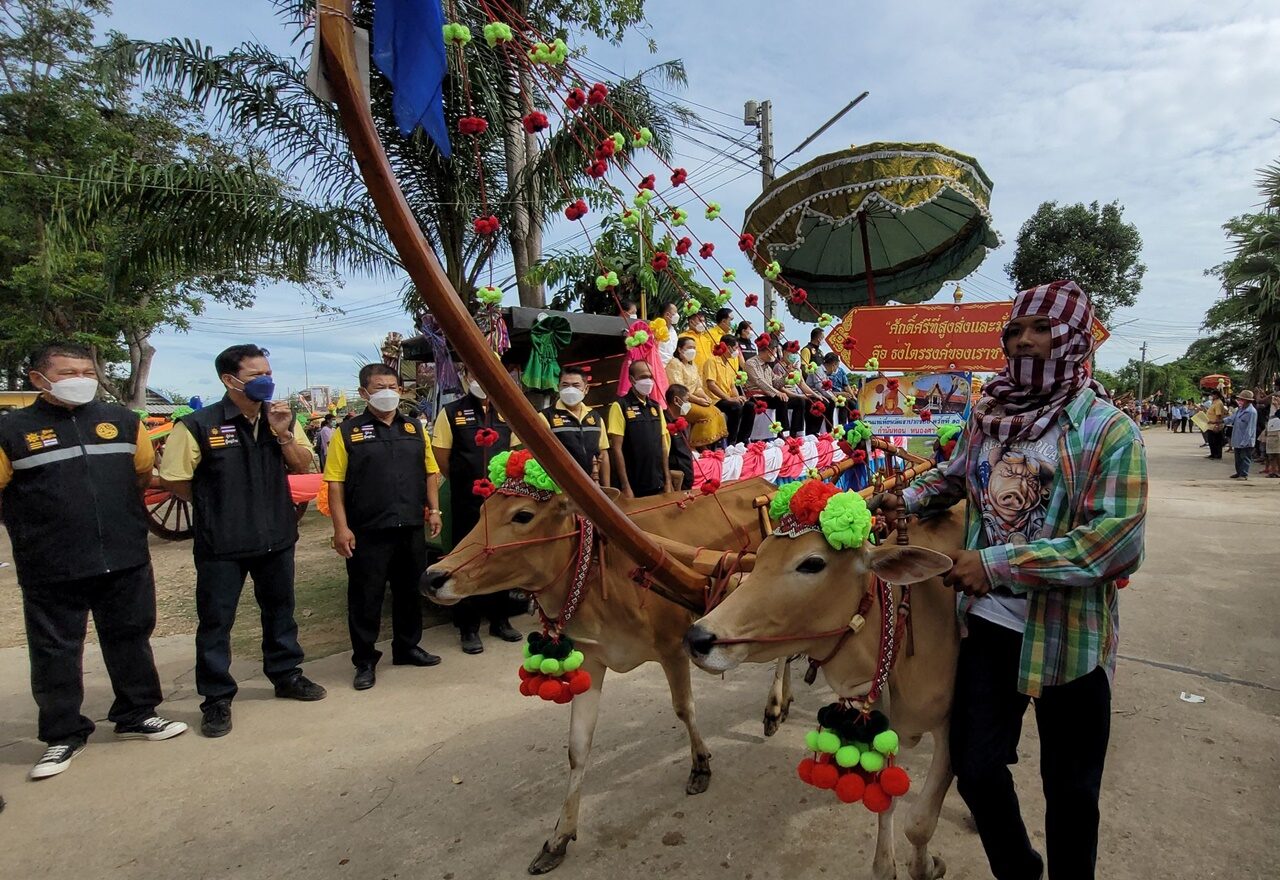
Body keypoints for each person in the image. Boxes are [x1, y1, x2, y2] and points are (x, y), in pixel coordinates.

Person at [876, 280, 1147, 880]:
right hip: (993, 628)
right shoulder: (988, 415)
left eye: (1041, 329)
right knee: (975, 770)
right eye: (1014, 331)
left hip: (1070, 637)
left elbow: (1117, 543)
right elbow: (951, 479)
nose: (1023, 340)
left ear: (1073, 338)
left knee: (1071, 794)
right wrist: (907, 500)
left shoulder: (1108, 431)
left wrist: (997, 564)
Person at [1, 343, 187, 779]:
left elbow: (141, 474)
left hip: (124, 554)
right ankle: (63, 734)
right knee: (55, 650)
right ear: (38, 379)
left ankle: (137, 713)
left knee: (130, 637)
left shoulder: (121, 421)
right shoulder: (12, 430)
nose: (81, 379)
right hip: (52, 562)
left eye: (87, 371)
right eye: (69, 371)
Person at [158, 344, 325, 739]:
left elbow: (302, 466)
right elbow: (175, 480)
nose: (266, 380)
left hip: (276, 538)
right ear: (229, 380)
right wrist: (219, 504)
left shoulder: (280, 418)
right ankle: (216, 698)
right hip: (223, 543)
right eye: (255, 375)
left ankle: (286, 675)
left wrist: (283, 435)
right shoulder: (198, 425)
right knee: (216, 622)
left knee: (281, 611)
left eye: (268, 372)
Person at [324, 364, 443, 691]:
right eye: (379, 387)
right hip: (367, 530)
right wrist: (341, 528)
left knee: (409, 591)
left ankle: (407, 647)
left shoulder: (414, 428)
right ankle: (364, 660)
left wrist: (434, 509)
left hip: (410, 526)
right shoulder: (347, 432)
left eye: (393, 385)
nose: (388, 392)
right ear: (364, 393)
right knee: (366, 597)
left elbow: (430, 471)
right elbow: (335, 484)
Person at [432, 363, 524, 654]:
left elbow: (516, 454)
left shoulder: (507, 410)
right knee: (465, 562)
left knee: (501, 560)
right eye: (475, 374)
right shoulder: (451, 413)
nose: (480, 380)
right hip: (466, 502)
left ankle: (500, 620)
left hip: (501, 504)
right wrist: (464, 480)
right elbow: (442, 457)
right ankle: (468, 627)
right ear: (465, 377)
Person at [607, 359, 671, 498]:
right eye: (643, 377)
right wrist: (625, 486)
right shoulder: (620, 406)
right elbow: (617, 448)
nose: (648, 381)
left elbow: (663, 446)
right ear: (632, 379)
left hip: (657, 481)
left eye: (650, 377)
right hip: (634, 484)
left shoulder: (655, 407)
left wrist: (667, 481)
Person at [538, 366, 611, 486]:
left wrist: (607, 488)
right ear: (558, 387)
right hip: (561, 487)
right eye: (565, 385)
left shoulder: (595, 417)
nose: (570, 390)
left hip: (592, 484)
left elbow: (603, 453)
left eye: (576, 385)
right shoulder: (546, 417)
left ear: (586, 389)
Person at [665, 337, 728, 448]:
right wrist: (698, 400)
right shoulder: (675, 363)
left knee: (717, 412)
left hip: (693, 400)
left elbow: (698, 387)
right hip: (680, 403)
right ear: (680, 349)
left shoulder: (692, 365)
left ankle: (710, 446)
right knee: (707, 415)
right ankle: (695, 445)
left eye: (694, 348)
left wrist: (705, 397)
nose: (692, 350)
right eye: (689, 347)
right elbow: (679, 390)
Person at [698, 336, 753, 445]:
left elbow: (732, 387)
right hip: (715, 400)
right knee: (735, 407)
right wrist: (730, 399)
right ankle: (731, 442)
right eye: (736, 348)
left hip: (727, 399)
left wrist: (739, 398)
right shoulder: (712, 361)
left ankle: (742, 440)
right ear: (728, 348)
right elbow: (711, 385)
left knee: (750, 406)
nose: (737, 351)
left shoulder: (729, 364)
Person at [744, 344, 805, 436]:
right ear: (768, 351)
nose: (776, 354)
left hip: (769, 396)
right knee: (780, 399)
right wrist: (777, 393)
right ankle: (784, 434)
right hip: (756, 396)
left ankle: (796, 433)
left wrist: (787, 375)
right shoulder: (751, 363)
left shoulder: (767, 367)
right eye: (775, 352)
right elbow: (759, 382)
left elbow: (776, 383)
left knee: (799, 401)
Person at [665, 383, 694, 491]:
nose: (689, 404)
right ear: (676, 401)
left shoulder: (681, 421)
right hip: (676, 479)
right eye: (687, 400)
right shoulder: (664, 422)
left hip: (686, 476)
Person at [1229, 390, 1257, 480]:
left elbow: (1250, 428)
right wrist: (1221, 421)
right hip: (1237, 437)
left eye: (1242, 399)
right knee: (1238, 458)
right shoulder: (1240, 410)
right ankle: (1239, 472)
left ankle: (1244, 474)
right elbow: (1232, 418)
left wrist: (1245, 441)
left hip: (1246, 439)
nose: (1240, 401)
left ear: (1247, 401)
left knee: (1245, 457)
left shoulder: (1251, 412)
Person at [653, 301, 681, 366]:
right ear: (667, 315)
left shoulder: (673, 332)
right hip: (655, 365)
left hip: (668, 367)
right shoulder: (655, 328)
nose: (677, 315)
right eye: (675, 312)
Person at [1205, 390, 1227, 459]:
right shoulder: (1214, 402)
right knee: (1211, 441)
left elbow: (1218, 415)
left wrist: (1217, 424)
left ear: (1216, 395)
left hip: (1215, 424)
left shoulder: (1218, 403)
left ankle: (1217, 454)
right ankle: (1213, 453)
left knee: (1216, 441)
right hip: (1210, 425)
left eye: (1213, 395)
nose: (1211, 396)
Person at [1264, 398, 1280, 478]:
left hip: (1278, 430)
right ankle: (1273, 471)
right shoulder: (1272, 405)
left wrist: (1277, 406)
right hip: (1271, 428)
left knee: (1278, 454)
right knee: (1271, 454)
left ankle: (1278, 471)